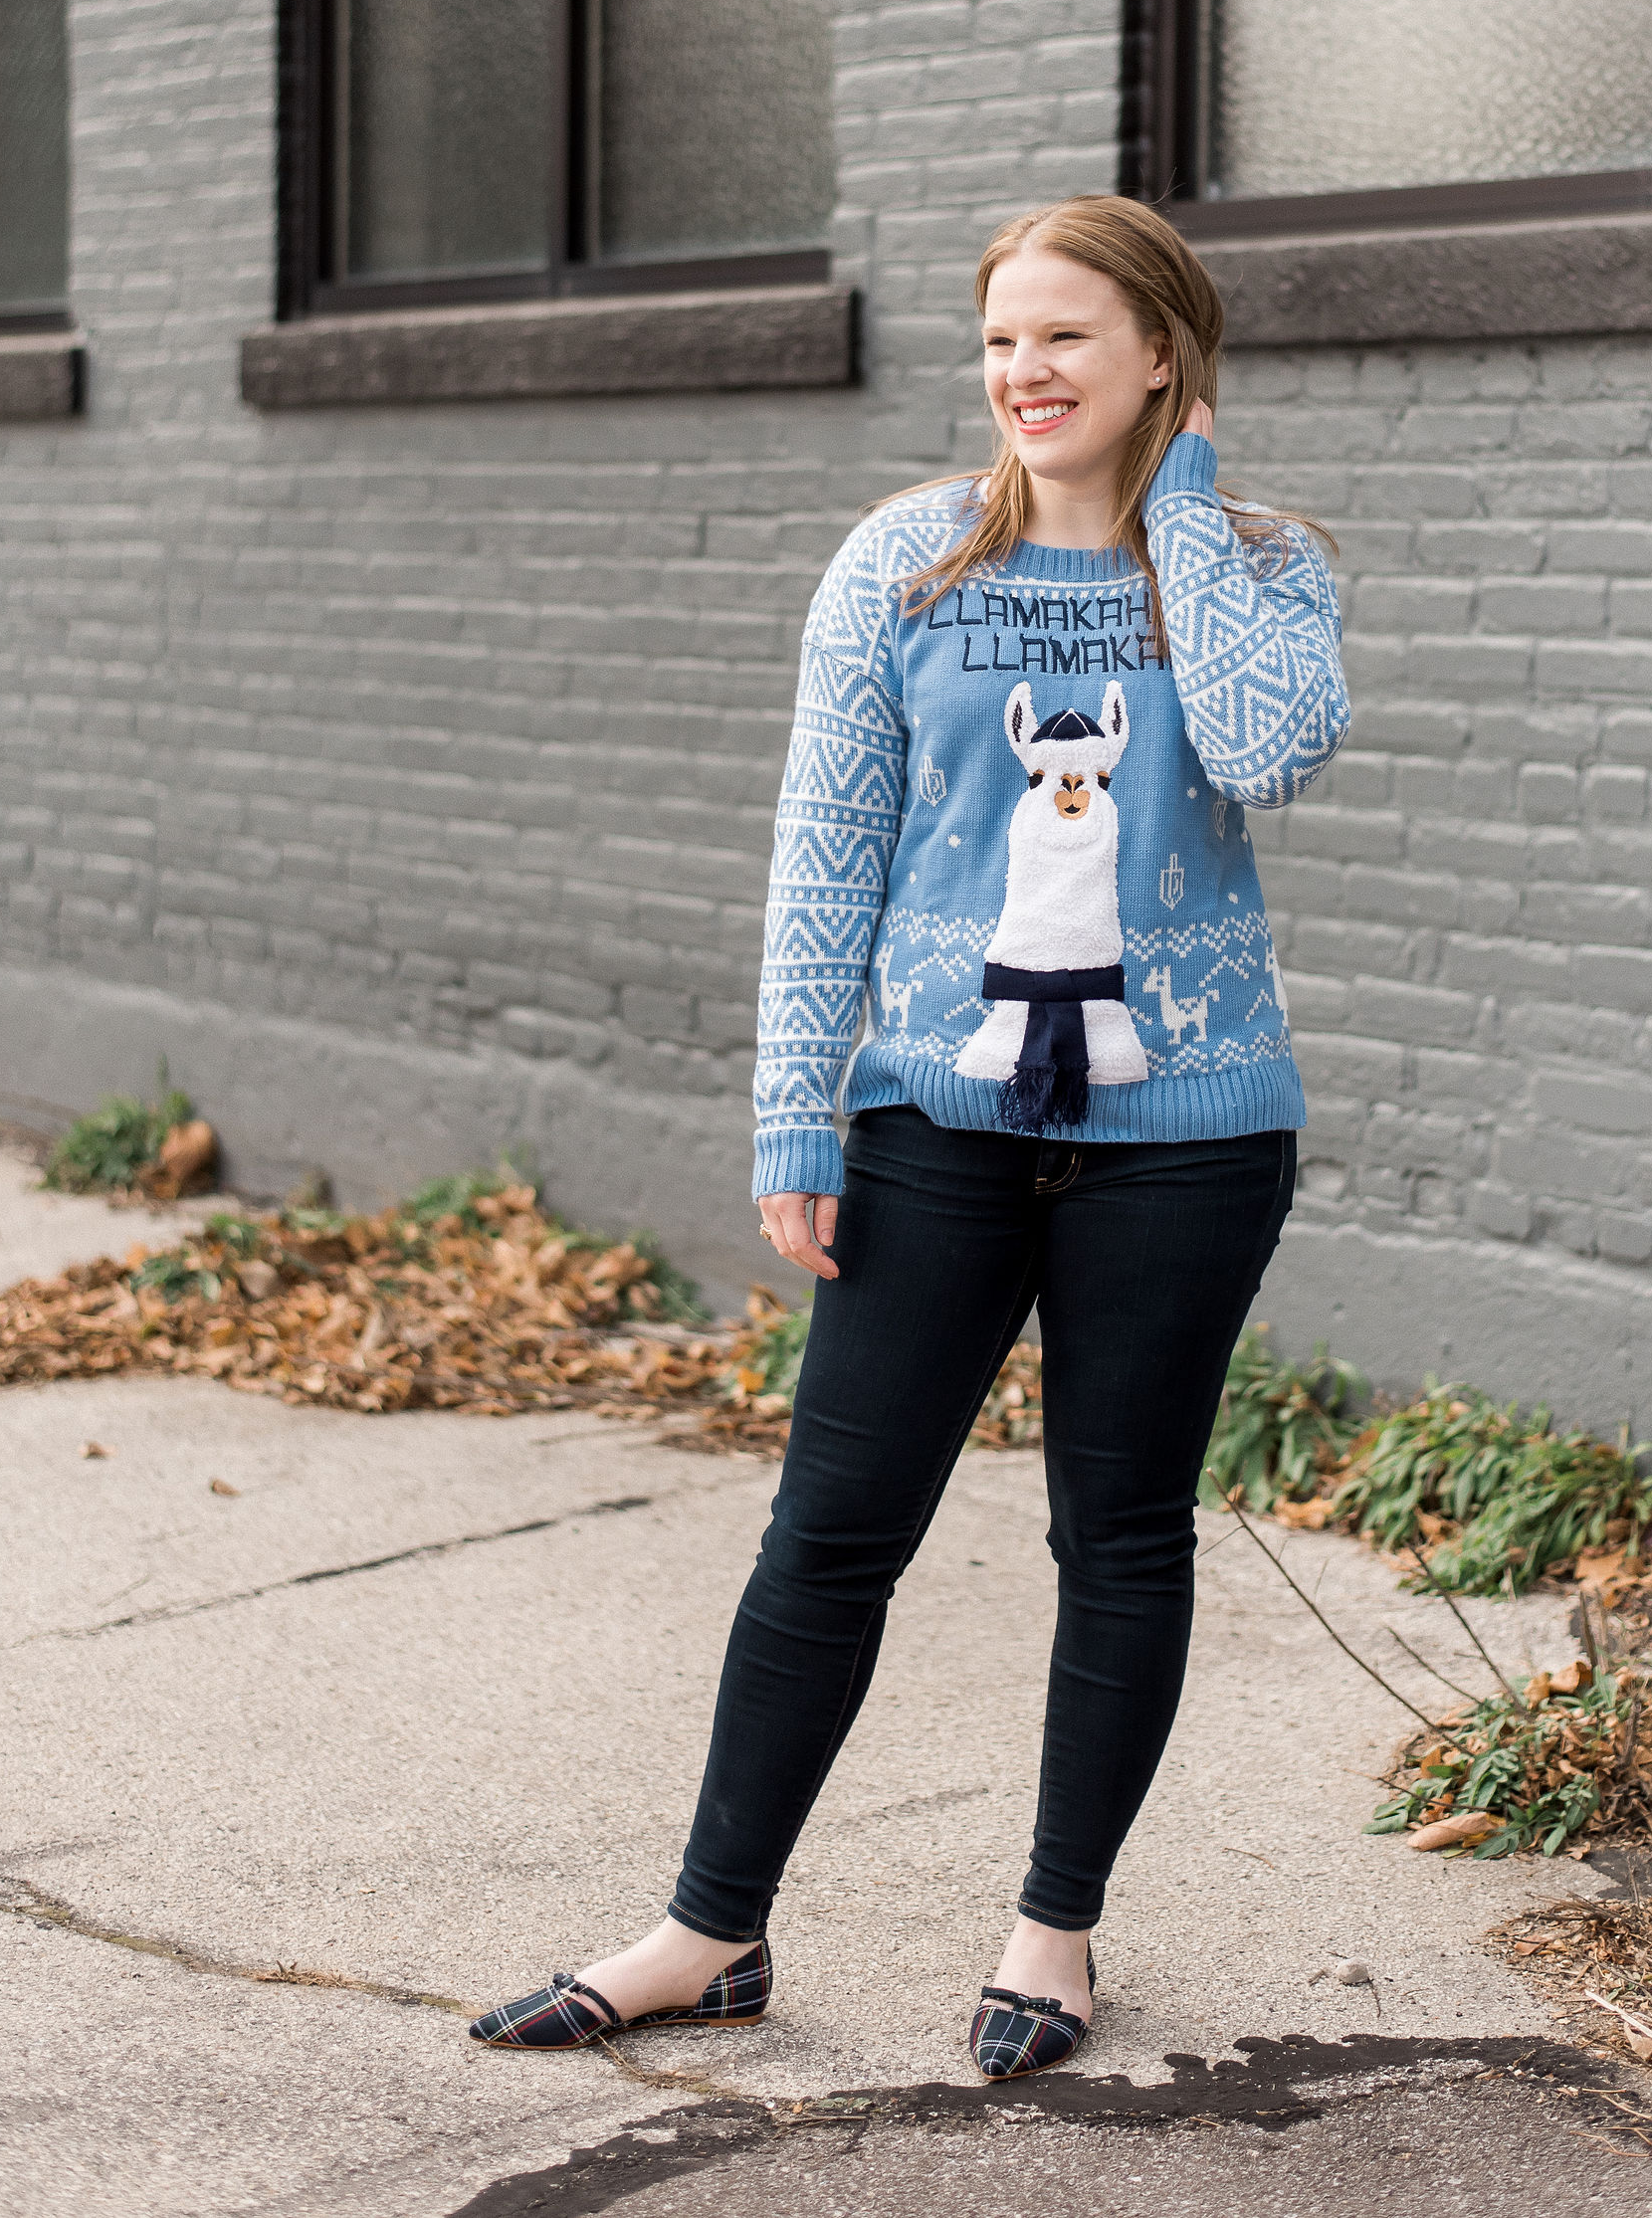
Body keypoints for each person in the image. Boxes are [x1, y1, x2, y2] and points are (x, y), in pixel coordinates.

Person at [472, 196, 1350, 2078]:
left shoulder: (1264, 567)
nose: (1023, 375)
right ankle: (709, 1932)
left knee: (1119, 1535)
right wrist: (799, 1103)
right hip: (932, 1119)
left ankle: (1056, 1933)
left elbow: (1273, 751)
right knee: (830, 1535)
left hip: (1187, 1135)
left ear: (1159, 358)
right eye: (1000, 342)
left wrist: (1182, 505)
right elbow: (828, 859)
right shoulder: (904, 564)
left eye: (1065, 340)